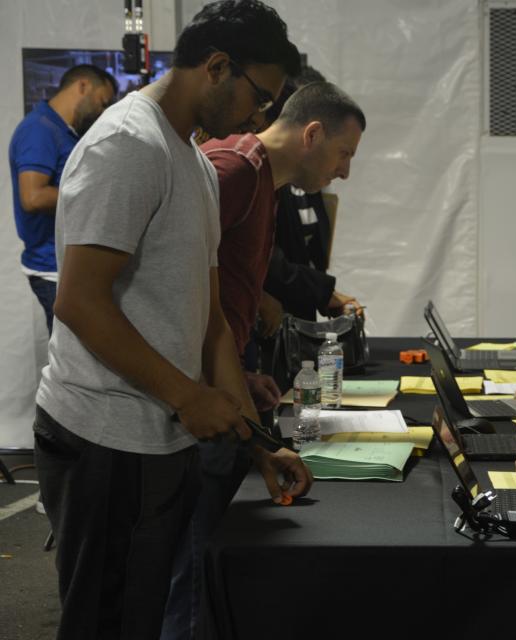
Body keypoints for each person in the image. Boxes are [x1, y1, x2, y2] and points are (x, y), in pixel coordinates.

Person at [33, 2, 311, 638]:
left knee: (142, 612)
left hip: (156, 439)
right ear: (217, 67)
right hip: (103, 439)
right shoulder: (128, 145)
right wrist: (186, 396)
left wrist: (256, 443)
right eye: (260, 99)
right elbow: (79, 301)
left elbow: (208, 315)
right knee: (104, 620)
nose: (260, 118)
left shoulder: (193, 159)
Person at [161, 80, 366, 639]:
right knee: (191, 581)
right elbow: (178, 297)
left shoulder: (259, 183)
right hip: (195, 405)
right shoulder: (232, 173)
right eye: (344, 153)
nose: (345, 171)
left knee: (202, 571)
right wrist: (213, 391)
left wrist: (242, 378)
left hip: (221, 388)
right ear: (313, 133)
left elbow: (217, 308)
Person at [8, 64, 117, 334]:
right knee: (74, 360)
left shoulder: (62, 130)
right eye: (102, 103)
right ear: (83, 86)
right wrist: (95, 195)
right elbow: (33, 197)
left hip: (67, 265)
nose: (102, 113)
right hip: (52, 269)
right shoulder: (40, 129)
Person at [261, 66, 363, 329]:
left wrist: (320, 293)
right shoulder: (241, 170)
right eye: (343, 154)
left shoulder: (305, 176)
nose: (345, 172)